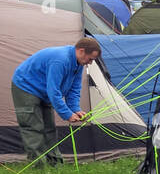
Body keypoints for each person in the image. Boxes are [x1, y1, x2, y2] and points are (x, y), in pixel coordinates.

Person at [9, 37, 101, 165]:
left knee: (49, 128)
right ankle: (38, 167)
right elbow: (54, 91)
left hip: (44, 92)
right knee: (33, 127)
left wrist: (75, 109)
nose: (90, 63)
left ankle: (55, 164)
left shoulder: (79, 63)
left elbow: (74, 89)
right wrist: (67, 114)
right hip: (26, 87)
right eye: (90, 59)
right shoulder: (60, 60)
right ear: (81, 51)